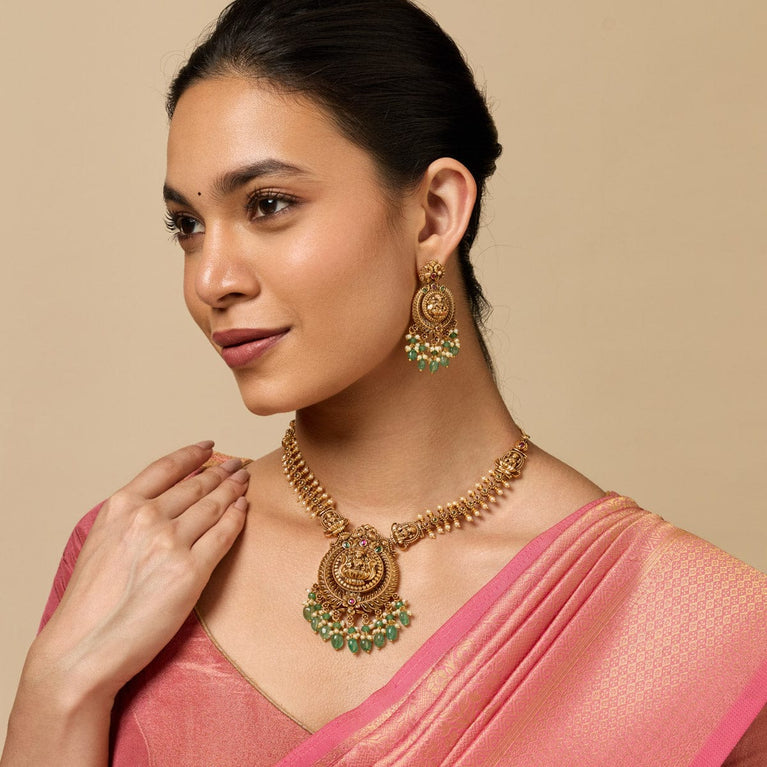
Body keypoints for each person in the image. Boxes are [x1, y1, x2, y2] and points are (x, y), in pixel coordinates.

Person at [2, 0, 766, 764]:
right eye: (188, 226)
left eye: (268, 205)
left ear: (433, 214)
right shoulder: (139, 556)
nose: (210, 279)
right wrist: (60, 684)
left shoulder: (691, 633)